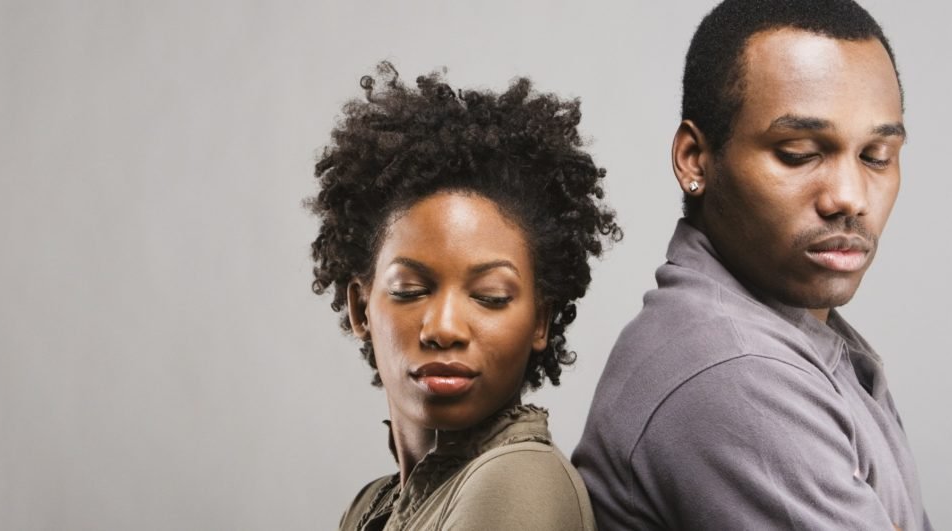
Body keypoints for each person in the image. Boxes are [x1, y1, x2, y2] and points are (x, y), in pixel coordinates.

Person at [572, 0, 931, 529]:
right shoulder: (735, 370)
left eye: (875, 156)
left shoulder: (796, 335)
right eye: (799, 152)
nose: (850, 197)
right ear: (695, 159)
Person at [310, 62, 619, 530]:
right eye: (411, 291)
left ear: (540, 321)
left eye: (490, 296)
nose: (444, 328)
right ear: (360, 308)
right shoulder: (371, 506)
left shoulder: (517, 482)